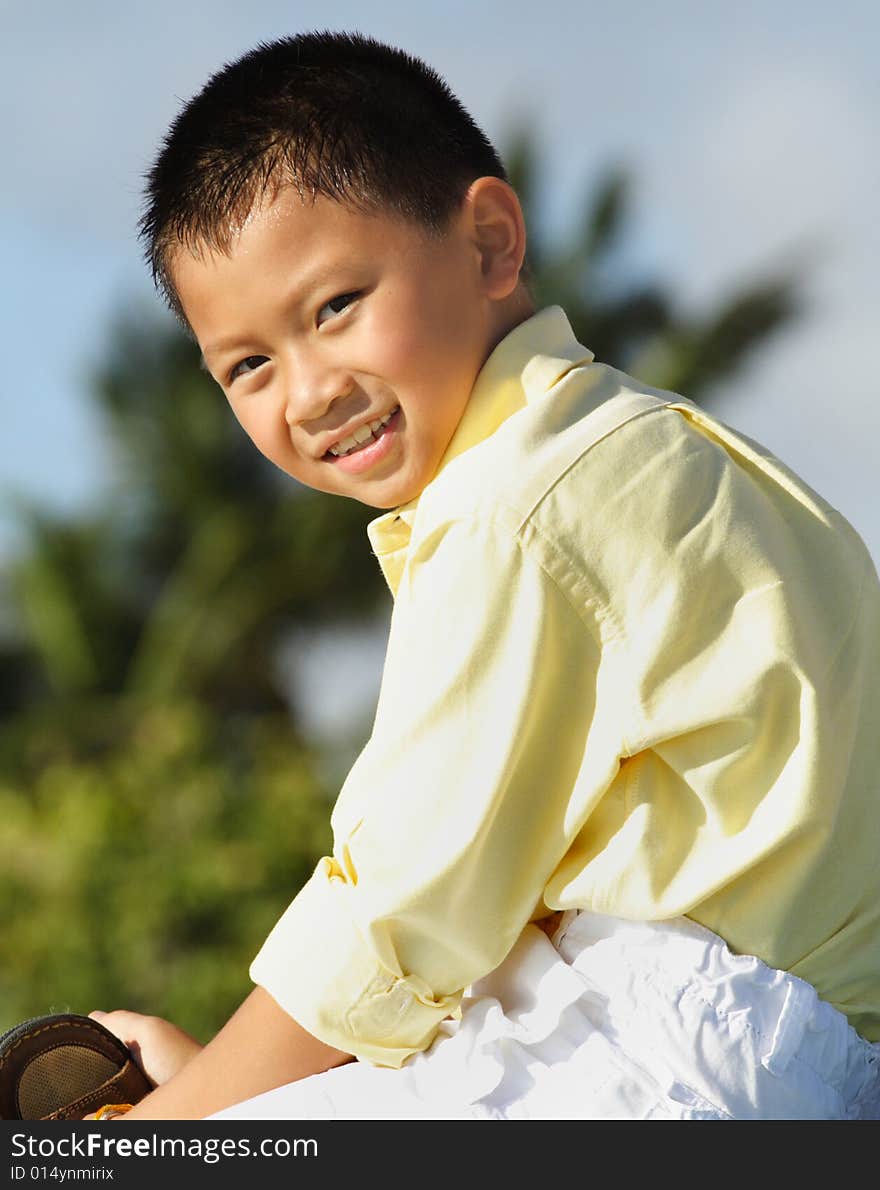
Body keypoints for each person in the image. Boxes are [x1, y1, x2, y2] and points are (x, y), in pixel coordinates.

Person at [86, 31, 880, 1121]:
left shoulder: (516, 509)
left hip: (672, 1042)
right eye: (250, 364)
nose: (309, 390)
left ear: (491, 242)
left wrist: (161, 1129)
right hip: (785, 1051)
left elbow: (403, 913)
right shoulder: (660, 450)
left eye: (333, 307)